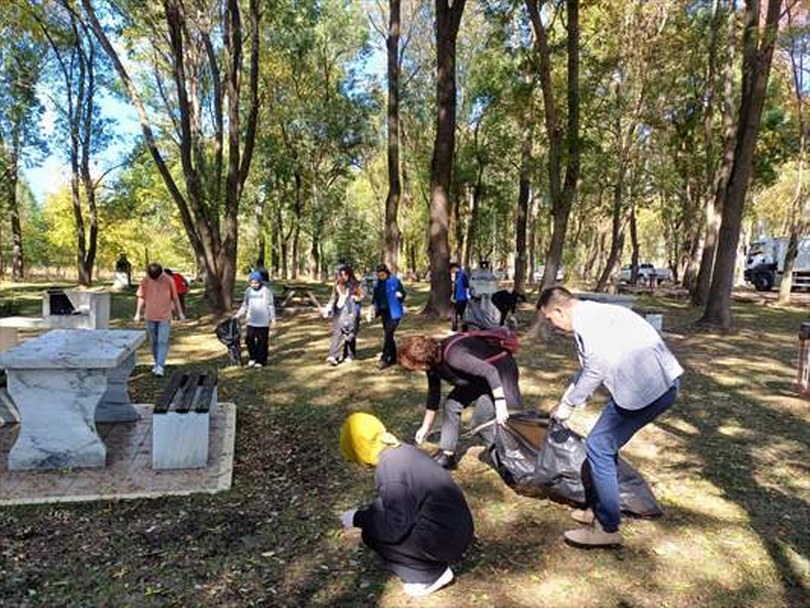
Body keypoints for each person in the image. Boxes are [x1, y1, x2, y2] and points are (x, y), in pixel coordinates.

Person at [537, 286, 683, 548]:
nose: (553, 325)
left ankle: (607, 528)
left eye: (550, 319)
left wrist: (569, 405)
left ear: (559, 310)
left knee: (599, 446)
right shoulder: (592, 314)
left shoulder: (589, 323)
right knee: (602, 445)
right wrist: (565, 400)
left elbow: (595, 370)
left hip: (649, 389)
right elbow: (587, 368)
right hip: (655, 383)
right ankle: (598, 508)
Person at [339, 412, 474, 598]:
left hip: (446, 540)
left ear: (359, 448)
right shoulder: (400, 449)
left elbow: (393, 527)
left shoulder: (389, 468)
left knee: (372, 535)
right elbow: (395, 500)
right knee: (377, 518)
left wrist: (358, 518)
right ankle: (429, 565)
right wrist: (368, 513)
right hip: (458, 527)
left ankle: (432, 575)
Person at [397, 331, 523, 469]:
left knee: (486, 422)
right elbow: (434, 393)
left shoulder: (454, 355)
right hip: (477, 379)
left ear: (421, 360)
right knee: (451, 404)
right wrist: (425, 427)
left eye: (413, 366)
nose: (415, 370)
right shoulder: (432, 364)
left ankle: (509, 464)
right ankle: (447, 454)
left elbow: (490, 372)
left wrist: (500, 404)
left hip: (500, 375)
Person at [134, 262, 185, 376]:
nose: (155, 279)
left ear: (160, 273)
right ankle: (157, 363)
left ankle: (160, 366)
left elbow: (175, 298)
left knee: (163, 341)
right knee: (153, 341)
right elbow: (141, 296)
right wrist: (138, 313)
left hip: (164, 316)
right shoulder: (146, 280)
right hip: (150, 315)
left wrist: (180, 313)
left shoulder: (168, 280)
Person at [234, 271, 277, 368]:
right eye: (252, 283)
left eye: (256, 283)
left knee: (262, 342)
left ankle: (261, 361)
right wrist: (238, 315)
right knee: (249, 340)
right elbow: (245, 305)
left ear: (260, 282)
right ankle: (253, 357)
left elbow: (270, 306)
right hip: (251, 321)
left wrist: (273, 319)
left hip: (263, 322)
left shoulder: (266, 291)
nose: (254, 285)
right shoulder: (248, 291)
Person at [323, 265, 364, 366]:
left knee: (350, 334)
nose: (343, 276)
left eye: (345, 274)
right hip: (339, 311)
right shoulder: (337, 284)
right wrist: (328, 307)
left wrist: (357, 298)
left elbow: (361, 296)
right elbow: (333, 297)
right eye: (341, 274)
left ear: (350, 274)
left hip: (352, 312)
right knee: (337, 333)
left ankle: (349, 354)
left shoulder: (355, 285)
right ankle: (333, 356)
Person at [371, 263, 406, 370]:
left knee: (388, 334)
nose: (381, 277)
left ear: (386, 273)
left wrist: (400, 295)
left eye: (382, 275)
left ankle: (384, 359)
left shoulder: (394, 280)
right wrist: (372, 307)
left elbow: (403, 293)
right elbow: (375, 296)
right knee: (389, 335)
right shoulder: (378, 284)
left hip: (395, 312)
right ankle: (394, 357)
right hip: (384, 312)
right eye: (379, 275)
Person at [449, 262, 469, 332]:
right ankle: (454, 327)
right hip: (456, 298)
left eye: (451, 270)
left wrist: (467, 296)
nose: (451, 272)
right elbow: (455, 287)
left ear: (454, 268)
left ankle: (464, 328)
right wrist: (453, 296)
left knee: (462, 314)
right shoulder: (456, 275)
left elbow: (467, 286)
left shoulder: (463, 274)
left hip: (462, 298)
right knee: (454, 313)